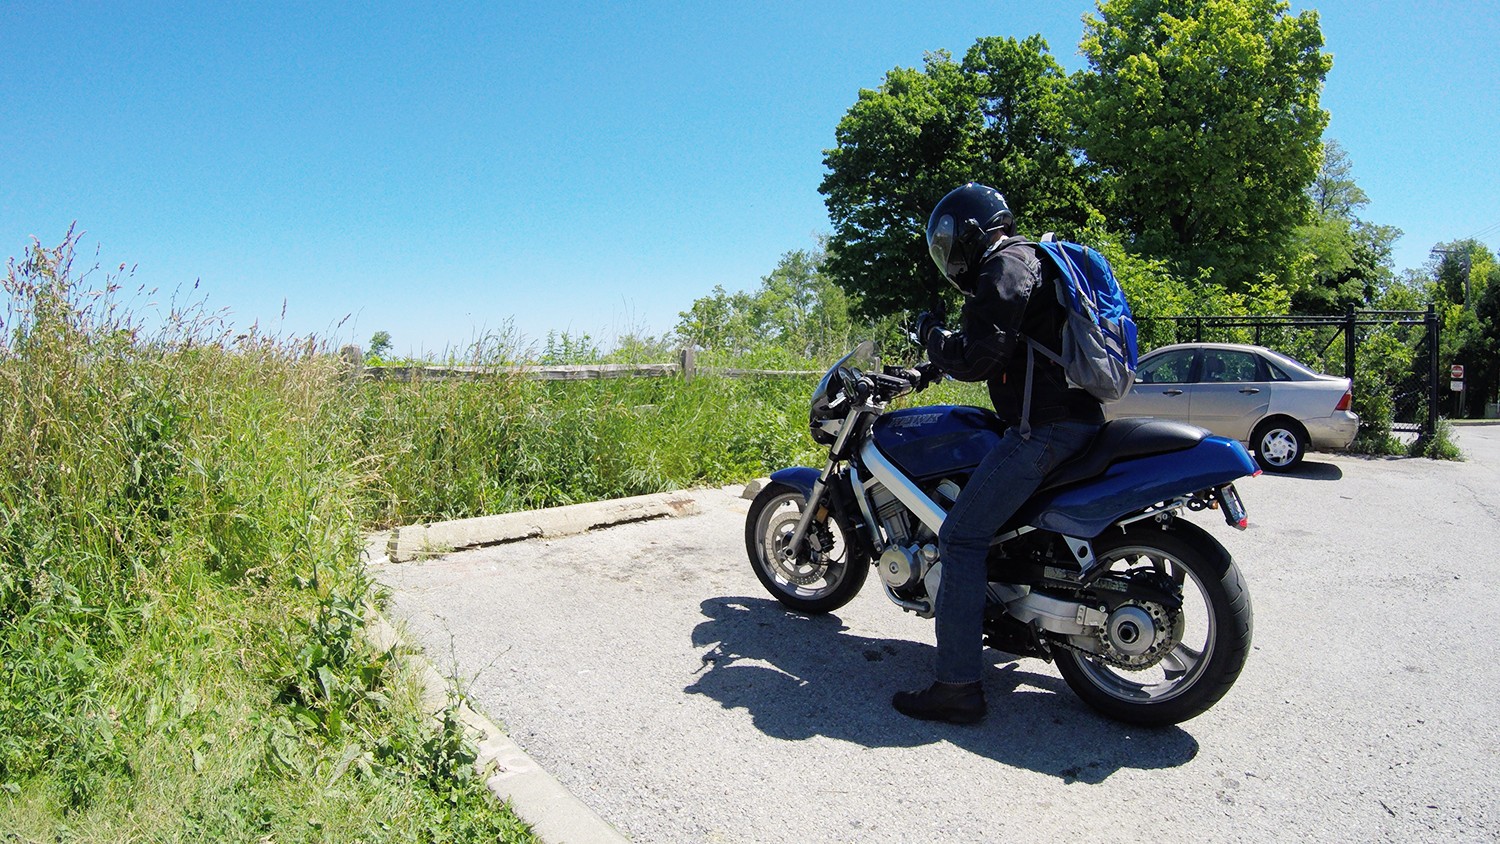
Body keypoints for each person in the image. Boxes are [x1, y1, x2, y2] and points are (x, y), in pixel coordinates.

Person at [894, 182, 1104, 725]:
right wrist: (926, 371)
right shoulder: (1030, 262)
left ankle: (957, 687)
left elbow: (978, 355)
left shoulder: (1003, 266)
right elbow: (1000, 340)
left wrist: (928, 334)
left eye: (949, 244)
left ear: (969, 232)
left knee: (961, 536)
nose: (950, 257)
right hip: (1071, 422)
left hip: (1042, 431)